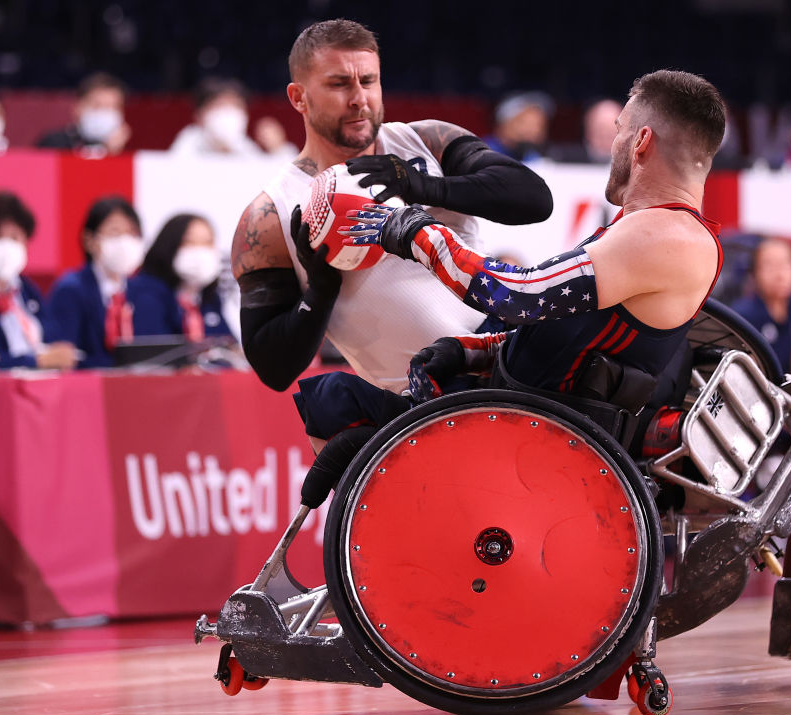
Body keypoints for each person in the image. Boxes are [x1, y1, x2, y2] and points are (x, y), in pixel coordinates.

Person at [294, 68, 727, 508]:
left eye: (620, 131)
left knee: (333, 403)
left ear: (641, 142)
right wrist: (476, 351)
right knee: (335, 405)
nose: (615, 143)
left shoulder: (665, 235)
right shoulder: (656, 231)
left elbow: (517, 296)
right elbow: (561, 330)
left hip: (528, 440)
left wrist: (413, 232)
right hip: (528, 416)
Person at [233, 18, 552, 394]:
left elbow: (535, 199)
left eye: (368, 81)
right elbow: (273, 369)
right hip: (416, 405)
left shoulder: (425, 140)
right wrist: (319, 294)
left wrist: (422, 186)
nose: (359, 98)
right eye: (339, 84)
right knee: (329, 408)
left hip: (505, 354)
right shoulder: (270, 214)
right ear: (298, 97)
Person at [49, 196, 145, 368]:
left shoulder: (144, 291)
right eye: (115, 232)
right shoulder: (71, 290)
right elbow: (65, 355)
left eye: (131, 233)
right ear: (89, 240)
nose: (124, 241)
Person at [0, 192, 79, 371]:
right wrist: (37, 361)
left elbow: (54, 338)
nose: (5, 245)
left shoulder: (27, 290)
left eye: (14, 237)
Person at [130, 214, 232, 341]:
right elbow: (154, 351)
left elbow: (229, 346)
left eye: (207, 243)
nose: (199, 252)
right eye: (189, 242)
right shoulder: (148, 293)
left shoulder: (210, 298)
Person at [732, 238, 791, 375]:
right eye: (769, 266)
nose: (780, 274)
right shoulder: (743, 316)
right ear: (754, 274)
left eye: (786, 264)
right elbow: (747, 377)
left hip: (790, 391)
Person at [170, 77, 294, 157]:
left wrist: (279, 150)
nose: (228, 114)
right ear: (199, 117)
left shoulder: (245, 148)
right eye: (220, 106)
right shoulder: (188, 143)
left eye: (235, 106)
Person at [36, 73, 130, 156]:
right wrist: (105, 152)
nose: (106, 113)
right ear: (78, 107)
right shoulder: (55, 142)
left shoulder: (129, 150)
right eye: (98, 106)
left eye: (113, 107)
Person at [483, 91, 554, 163]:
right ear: (503, 124)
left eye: (540, 125)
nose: (535, 131)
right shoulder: (482, 153)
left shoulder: (532, 157)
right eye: (527, 123)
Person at [550, 98, 622, 164]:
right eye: (601, 131)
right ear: (588, 131)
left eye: (611, 133)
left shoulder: (630, 163)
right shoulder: (564, 159)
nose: (605, 138)